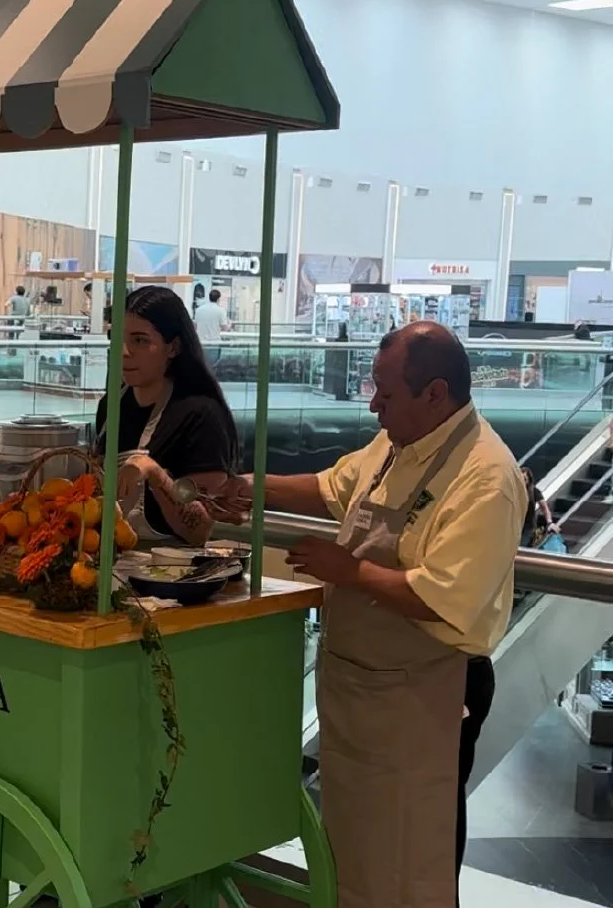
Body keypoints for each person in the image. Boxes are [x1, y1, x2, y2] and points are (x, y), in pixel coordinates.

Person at [210, 321, 526, 907]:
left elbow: (441, 596)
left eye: (385, 391)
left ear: (435, 393)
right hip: (364, 690)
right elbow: (333, 486)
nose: (373, 403)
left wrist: (347, 569)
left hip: (429, 693)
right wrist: (252, 487)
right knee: (355, 852)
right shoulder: (397, 442)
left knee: (412, 858)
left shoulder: (486, 477)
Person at [95, 285, 238, 545]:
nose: (124, 352)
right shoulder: (110, 407)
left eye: (140, 340)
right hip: (112, 569)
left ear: (173, 347)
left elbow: (199, 529)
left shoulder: (201, 415)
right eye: (116, 338)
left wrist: (154, 473)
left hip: (173, 575)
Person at [193, 287, 229, 364]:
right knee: (212, 366)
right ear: (218, 299)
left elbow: (195, 326)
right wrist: (230, 325)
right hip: (214, 343)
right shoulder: (221, 311)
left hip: (201, 343)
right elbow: (224, 328)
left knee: (201, 365)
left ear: (209, 297)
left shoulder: (199, 309)